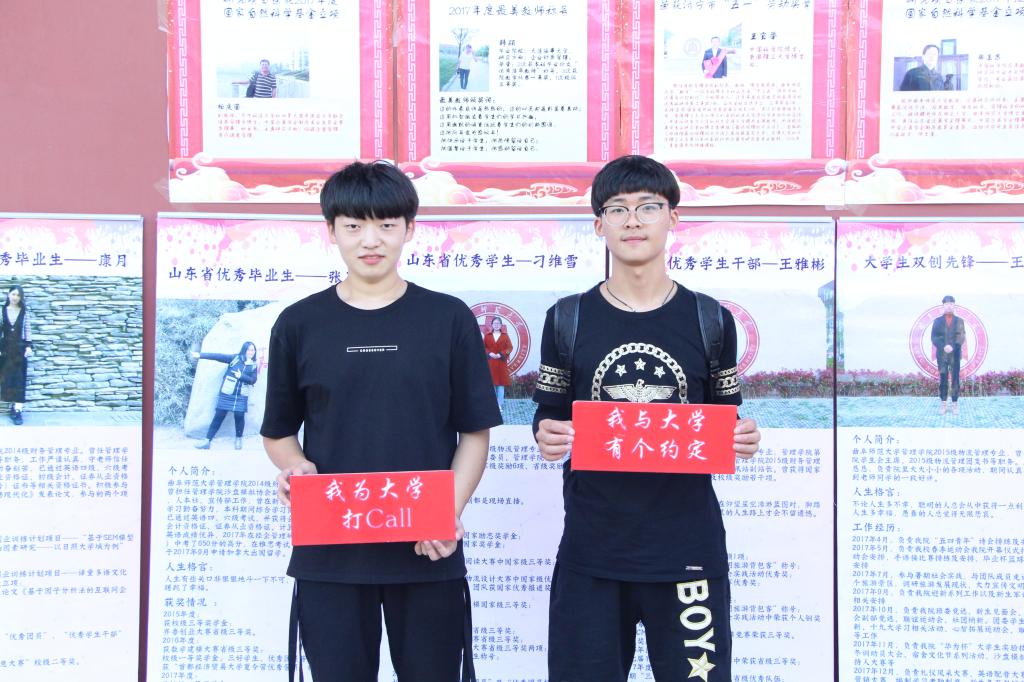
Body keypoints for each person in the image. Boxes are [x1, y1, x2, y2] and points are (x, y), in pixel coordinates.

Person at [261, 160, 502, 682]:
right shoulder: (299, 323)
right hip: (330, 553)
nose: (370, 240)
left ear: (409, 229)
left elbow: (474, 433)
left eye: (386, 225)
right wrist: (297, 468)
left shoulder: (448, 319)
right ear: (331, 231)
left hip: (427, 550)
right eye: (353, 226)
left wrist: (447, 512)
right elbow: (278, 433)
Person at [532, 155, 761, 682]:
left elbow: (725, 420)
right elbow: (549, 413)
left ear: (673, 218)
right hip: (592, 549)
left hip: (687, 552)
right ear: (599, 225)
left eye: (648, 207)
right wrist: (547, 433)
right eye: (617, 209)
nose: (633, 221)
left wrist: (744, 437)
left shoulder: (710, 319)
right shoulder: (567, 318)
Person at [193, 341, 259, 450]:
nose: (251, 352)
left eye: (253, 350)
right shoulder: (235, 358)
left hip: (241, 396)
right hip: (227, 394)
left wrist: (241, 376)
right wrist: (200, 355)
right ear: (244, 350)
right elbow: (217, 356)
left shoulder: (253, 365)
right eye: (249, 350)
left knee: (239, 417)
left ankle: (238, 439)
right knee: (218, 416)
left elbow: (253, 380)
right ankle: (207, 441)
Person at [1, 284, 33, 425]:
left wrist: (28, 346)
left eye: (18, 295)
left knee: (20, 379)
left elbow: (27, 330)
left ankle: (18, 410)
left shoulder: (24, 311)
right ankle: (11, 407)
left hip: (20, 350)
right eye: (13, 294)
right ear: (9, 295)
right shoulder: (2, 311)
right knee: (7, 379)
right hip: (5, 350)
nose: (15, 297)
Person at [930, 295, 965, 415]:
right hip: (942, 355)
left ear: (954, 306)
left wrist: (953, 346)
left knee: (955, 379)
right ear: (943, 306)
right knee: (943, 378)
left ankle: (955, 403)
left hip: (955, 354)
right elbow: (934, 337)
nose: (949, 306)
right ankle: (943, 403)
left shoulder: (959, 321)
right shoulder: (937, 321)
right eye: (946, 304)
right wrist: (943, 346)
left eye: (951, 304)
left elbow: (961, 336)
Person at [484, 315, 513, 412]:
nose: (496, 325)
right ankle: (492, 404)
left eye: (498, 323)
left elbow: (510, 348)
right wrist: (489, 353)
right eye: (494, 323)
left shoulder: (505, 336)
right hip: (490, 363)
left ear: (501, 325)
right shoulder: (487, 336)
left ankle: (500, 404)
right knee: (491, 385)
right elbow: (483, 347)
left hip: (501, 363)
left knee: (500, 385)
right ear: (492, 325)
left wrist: (501, 354)